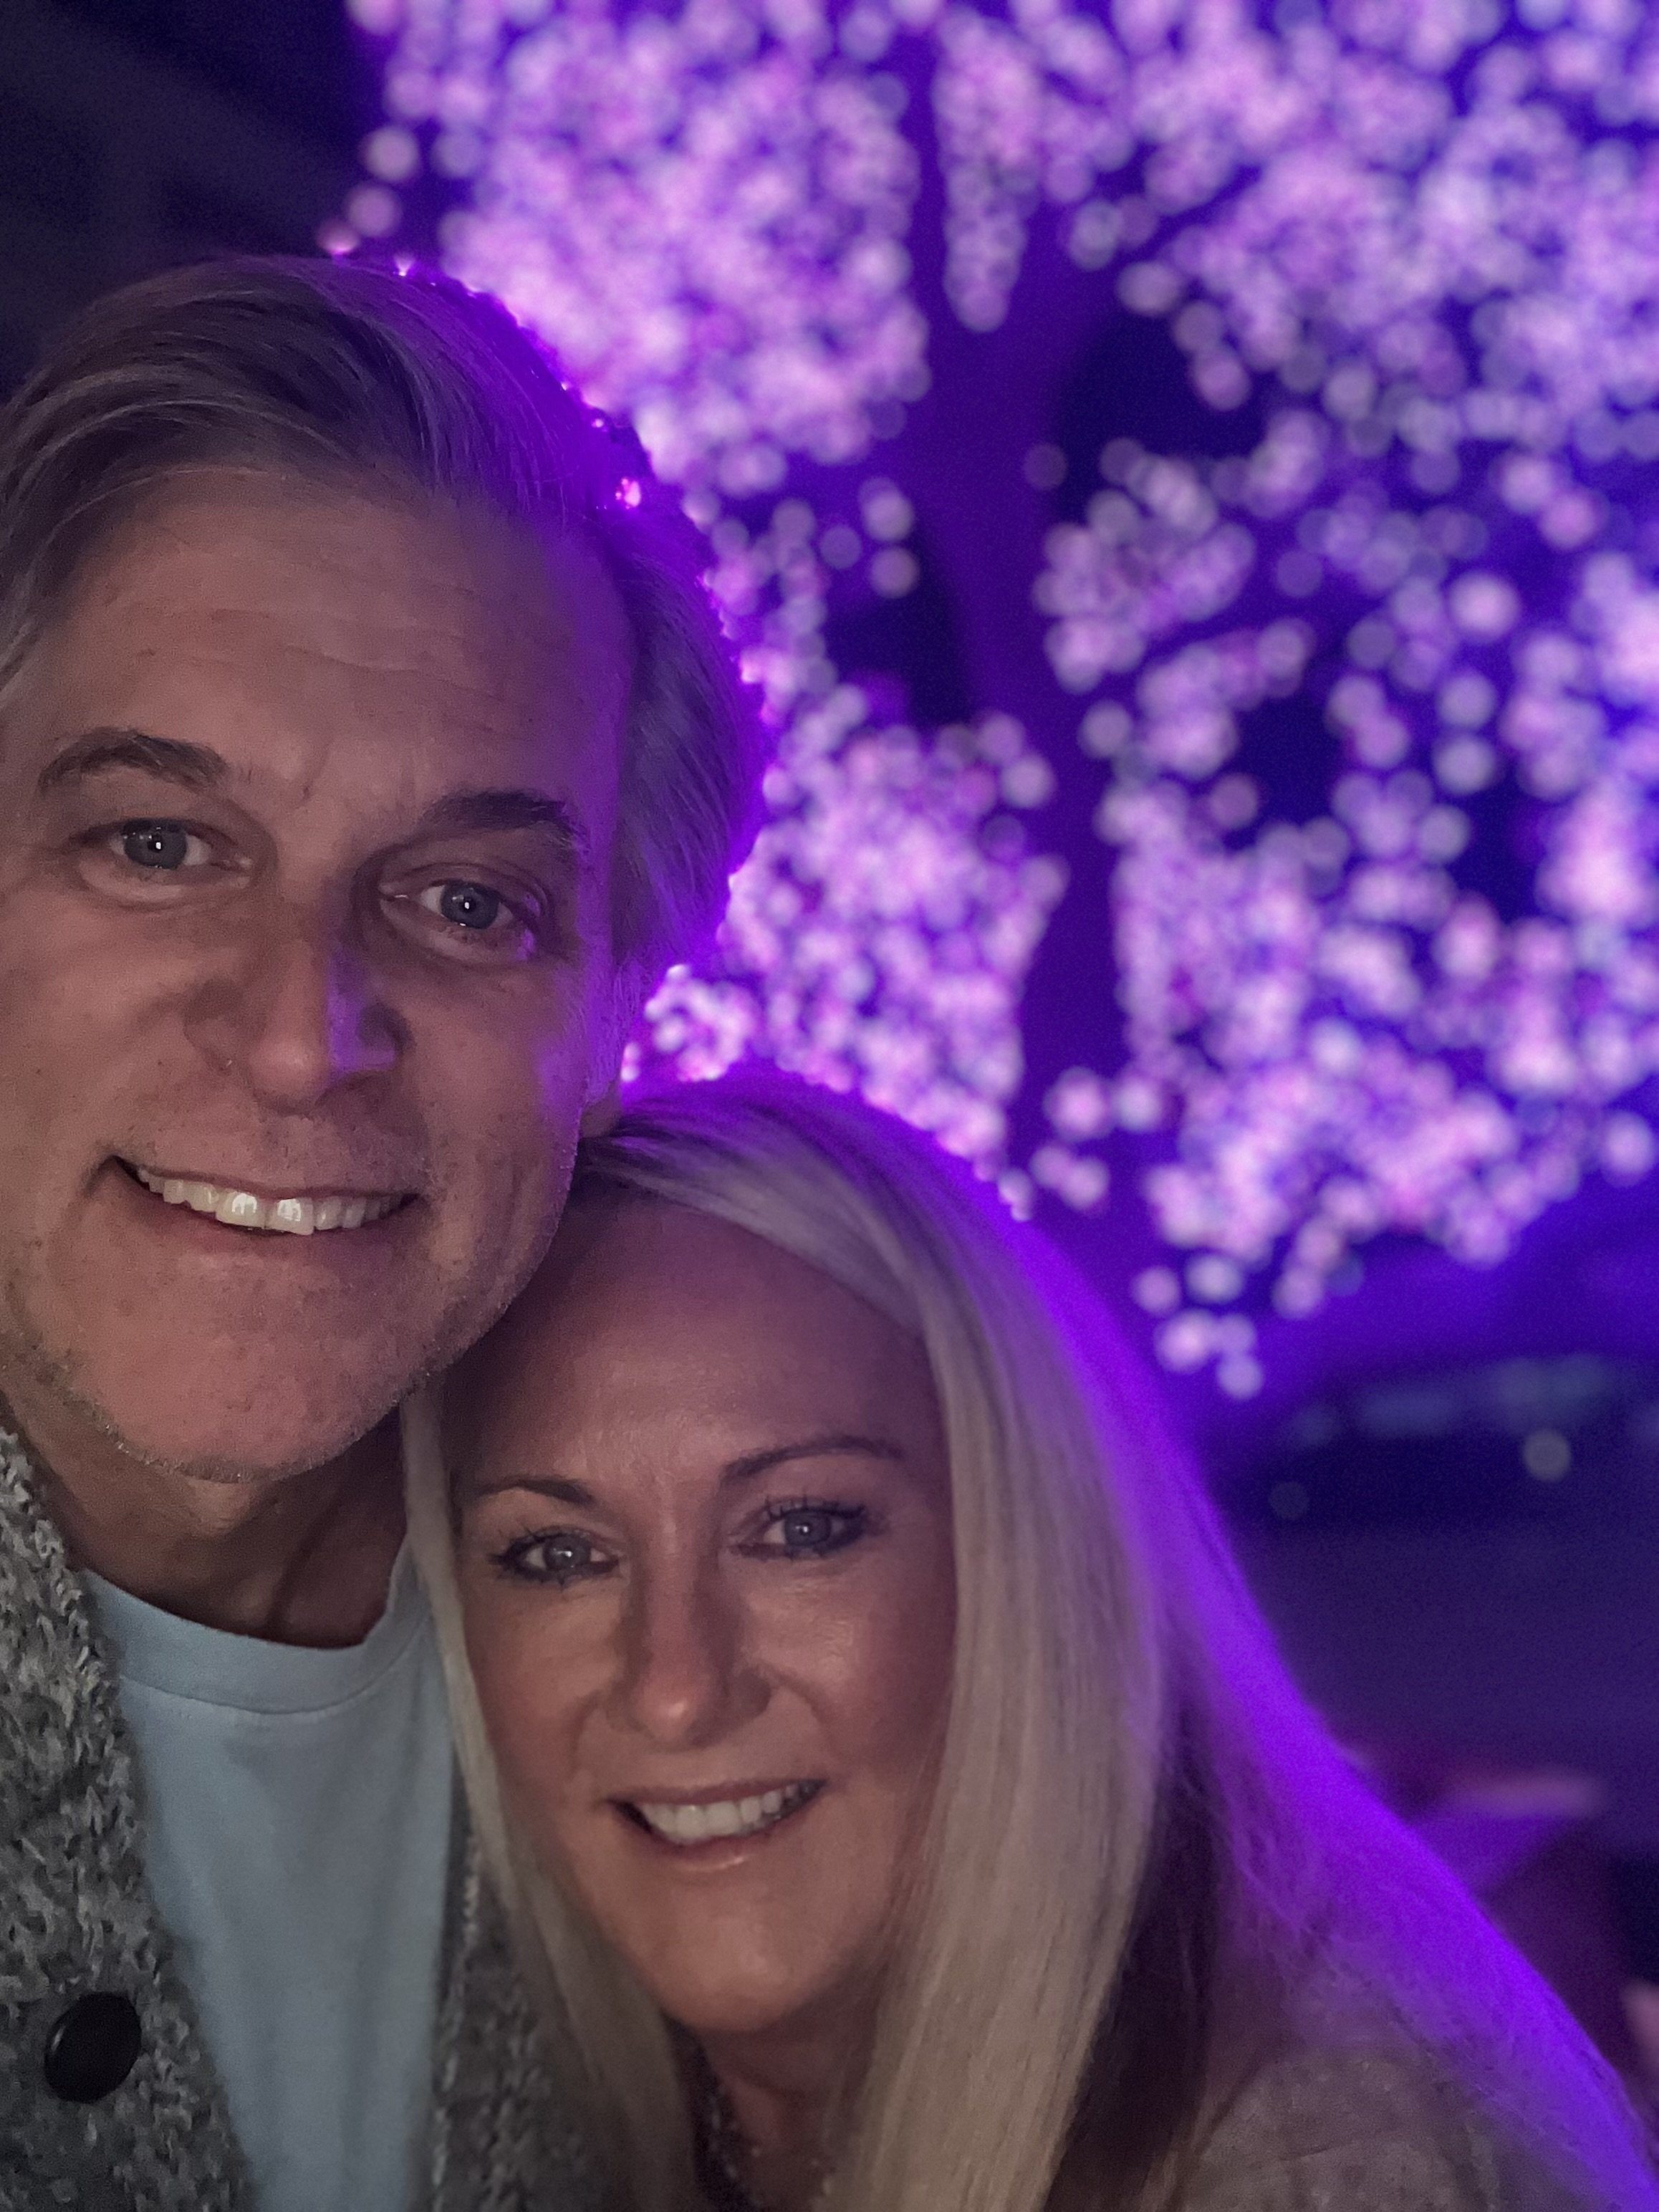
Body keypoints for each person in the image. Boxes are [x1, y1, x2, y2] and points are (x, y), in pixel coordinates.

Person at [0, 258, 760, 2209]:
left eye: (470, 903)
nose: (299, 1036)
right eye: (158, 843)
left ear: (616, 1019)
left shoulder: (714, 1667)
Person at [411, 1072, 1659, 2212]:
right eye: (557, 1556)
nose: (675, 1689)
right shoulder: (514, 2085)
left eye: (801, 1529)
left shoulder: (1322, 2154)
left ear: (1030, 1556)